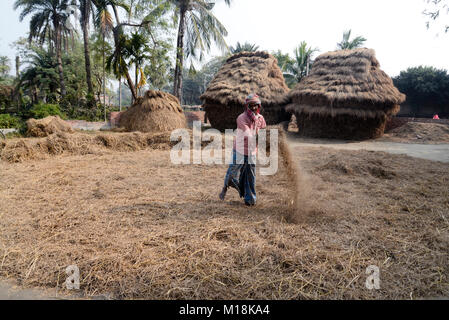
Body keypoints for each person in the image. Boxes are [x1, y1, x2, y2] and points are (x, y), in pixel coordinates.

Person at [219, 93, 267, 206]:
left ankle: (250, 200)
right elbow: (248, 134)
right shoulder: (241, 118)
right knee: (232, 173)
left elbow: (264, 130)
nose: (254, 107)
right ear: (247, 106)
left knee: (250, 176)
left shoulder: (261, 118)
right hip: (240, 150)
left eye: (256, 105)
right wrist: (259, 138)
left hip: (252, 152)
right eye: (251, 105)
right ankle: (225, 187)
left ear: (258, 105)